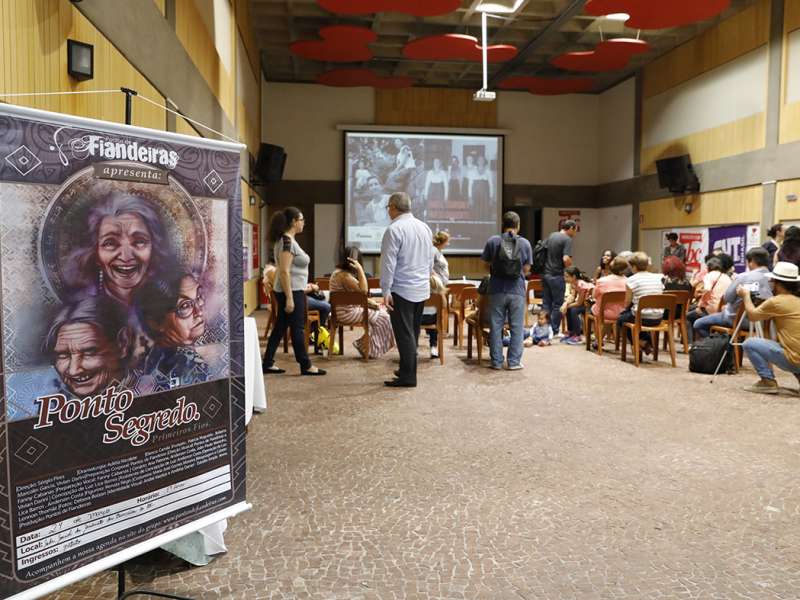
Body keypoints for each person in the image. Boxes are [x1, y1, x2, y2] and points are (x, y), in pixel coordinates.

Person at [67, 192, 175, 306]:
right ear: (95, 253)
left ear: (154, 249)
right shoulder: (76, 306)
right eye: (110, 243)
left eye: (139, 241)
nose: (126, 256)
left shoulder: (170, 302)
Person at [262, 207, 325, 376]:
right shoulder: (287, 242)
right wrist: (290, 298)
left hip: (292, 290)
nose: (303, 222)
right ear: (293, 222)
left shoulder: (288, 240)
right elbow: (284, 271)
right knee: (297, 328)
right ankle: (306, 365)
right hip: (290, 291)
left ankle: (267, 362)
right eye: (301, 219)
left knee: (280, 327)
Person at [380, 192, 433, 387]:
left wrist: (385, 290)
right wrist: (426, 279)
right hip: (421, 288)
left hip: (402, 289)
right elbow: (430, 259)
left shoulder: (394, 229)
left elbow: (388, 263)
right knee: (413, 333)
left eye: (388, 207)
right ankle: (405, 369)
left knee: (405, 335)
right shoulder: (424, 227)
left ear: (393, 207)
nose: (388, 211)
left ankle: (409, 377)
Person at [44, 296, 133, 398]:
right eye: (63, 355)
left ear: (122, 343)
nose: (74, 370)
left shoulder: (149, 392)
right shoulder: (53, 404)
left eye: (89, 352)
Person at [135, 273, 210, 390]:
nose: (199, 311)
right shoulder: (191, 365)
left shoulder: (155, 355)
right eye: (185, 306)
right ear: (156, 322)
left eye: (199, 296)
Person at [480, 211, 533, 370]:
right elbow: (527, 268)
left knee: (496, 326)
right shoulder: (525, 243)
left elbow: (484, 265)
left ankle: (496, 362)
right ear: (518, 225)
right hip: (517, 290)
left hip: (497, 289)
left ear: (503, 225)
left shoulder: (493, 241)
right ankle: (514, 362)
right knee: (517, 327)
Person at [738, 262, 800, 394]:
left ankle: (768, 381)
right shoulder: (796, 300)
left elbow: (753, 316)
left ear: (776, 282)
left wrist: (746, 296)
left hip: (794, 360)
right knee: (791, 345)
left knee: (750, 343)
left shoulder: (776, 301)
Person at [692, 247, 772, 340]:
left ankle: (720, 350)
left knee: (698, 324)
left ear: (752, 261)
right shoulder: (774, 280)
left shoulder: (743, 277)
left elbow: (727, 298)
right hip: (764, 323)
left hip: (737, 320)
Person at [329, 247, 395, 359]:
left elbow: (357, 296)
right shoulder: (344, 276)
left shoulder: (339, 273)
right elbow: (364, 291)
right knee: (384, 318)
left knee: (381, 313)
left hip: (342, 312)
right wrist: (360, 269)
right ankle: (367, 348)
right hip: (346, 314)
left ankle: (366, 345)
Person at [617, 252, 664, 355]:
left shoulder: (631, 280)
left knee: (621, 319)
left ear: (633, 267)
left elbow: (627, 302)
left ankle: (641, 342)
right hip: (658, 317)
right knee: (636, 314)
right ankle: (646, 343)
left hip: (641, 318)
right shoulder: (659, 277)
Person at [542, 220, 577, 336]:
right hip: (556, 275)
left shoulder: (552, 235)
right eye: (575, 230)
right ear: (571, 228)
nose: (575, 233)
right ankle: (554, 330)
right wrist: (571, 267)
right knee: (558, 304)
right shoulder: (567, 239)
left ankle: (544, 328)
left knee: (546, 303)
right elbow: (566, 259)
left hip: (546, 274)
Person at [685, 257, 732, 340]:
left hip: (711, 310)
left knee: (688, 317)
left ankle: (692, 344)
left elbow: (707, 289)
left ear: (709, 267)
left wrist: (700, 306)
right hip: (724, 311)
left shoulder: (709, 275)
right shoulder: (727, 277)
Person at [560, 266, 593, 344]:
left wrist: (567, 306)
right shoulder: (573, 283)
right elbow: (572, 296)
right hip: (584, 303)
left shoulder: (581, 285)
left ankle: (577, 335)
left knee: (574, 310)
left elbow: (579, 303)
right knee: (569, 308)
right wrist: (565, 304)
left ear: (574, 277)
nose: (565, 278)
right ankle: (571, 331)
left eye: (567, 276)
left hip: (590, 305)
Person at [592, 255, 628, 323]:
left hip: (603, 313)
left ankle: (597, 332)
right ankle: (609, 333)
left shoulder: (601, 281)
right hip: (623, 313)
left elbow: (594, 296)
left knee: (590, 307)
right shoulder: (629, 282)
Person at [420, 274, 447, 359]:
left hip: (418, 320)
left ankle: (414, 347)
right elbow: (444, 306)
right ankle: (433, 347)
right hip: (432, 320)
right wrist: (442, 294)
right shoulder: (438, 296)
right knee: (437, 320)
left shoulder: (420, 293)